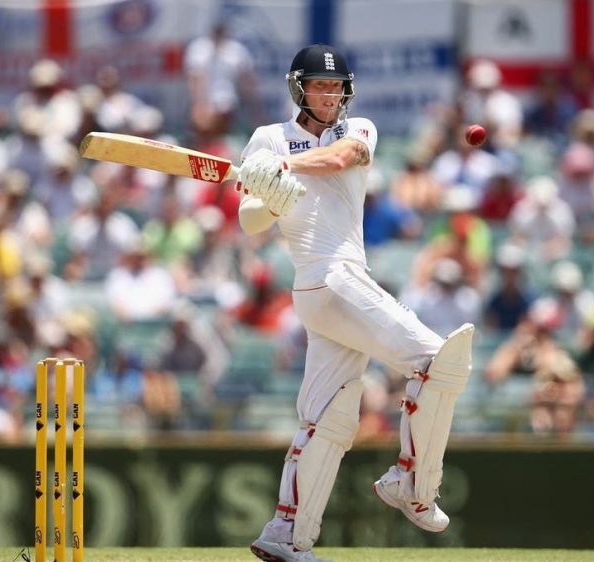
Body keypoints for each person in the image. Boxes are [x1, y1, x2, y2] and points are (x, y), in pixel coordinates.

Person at [236, 44, 475, 562]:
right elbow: (250, 222)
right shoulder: (267, 137)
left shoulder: (356, 129)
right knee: (439, 362)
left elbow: (343, 159)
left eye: (336, 86)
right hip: (323, 277)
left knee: (328, 419)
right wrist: (264, 195)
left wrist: (281, 166)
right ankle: (413, 484)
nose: (330, 95)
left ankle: (285, 535)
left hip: (339, 287)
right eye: (320, 86)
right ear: (298, 89)